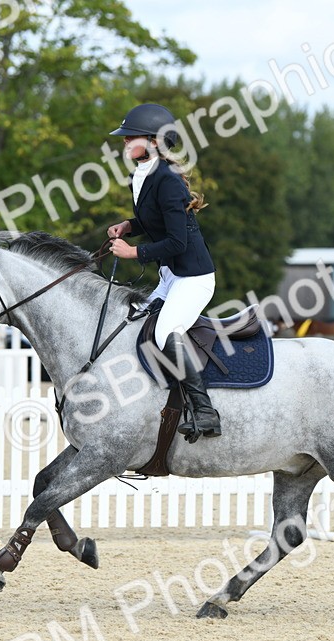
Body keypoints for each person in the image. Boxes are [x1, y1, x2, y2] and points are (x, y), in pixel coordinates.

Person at [107, 102, 220, 441]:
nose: (125, 144)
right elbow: (154, 220)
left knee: (164, 331)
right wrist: (130, 224)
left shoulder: (169, 181)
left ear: (154, 141)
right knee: (136, 324)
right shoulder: (139, 176)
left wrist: (133, 252)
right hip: (171, 277)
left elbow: (177, 241)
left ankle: (205, 411)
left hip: (194, 278)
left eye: (131, 138)